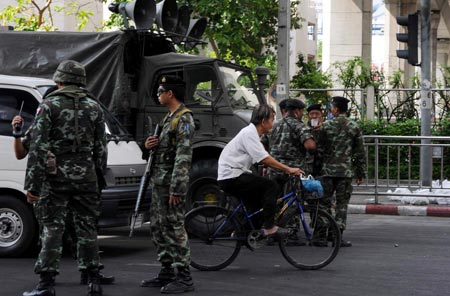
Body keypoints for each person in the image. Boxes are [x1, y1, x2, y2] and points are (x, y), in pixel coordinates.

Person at [11, 87, 114, 287]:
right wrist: (99, 180)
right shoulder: (94, 108)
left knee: (52, 228)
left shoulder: (48, 109)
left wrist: (33, 185)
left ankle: (46, 282)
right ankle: (93, 278)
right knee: (87, 227)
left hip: (55, 180)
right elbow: (102, 148)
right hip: (86, 178)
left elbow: (27, 152)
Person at [140, 75, 195, 294]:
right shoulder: (168, 118)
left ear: (170, 93)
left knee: (174, 229)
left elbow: (183, 155)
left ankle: (184, 276)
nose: (157, 94)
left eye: (160, 90)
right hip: (159, 182)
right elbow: (160, 150)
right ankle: (166, 271)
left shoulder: (183, 118)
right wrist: (147, 145)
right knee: (158, 228)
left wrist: (177, 188)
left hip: (171, 185)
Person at [217, 104, 304, 238]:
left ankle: (243, 232)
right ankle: (269, 227)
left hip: (233, 174)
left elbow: (261, 157)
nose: (273, 123)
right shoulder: (249, 133)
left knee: (256, 203)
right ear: (263, 121)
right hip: (232, 176)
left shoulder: (252, 133)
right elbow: (264, 158)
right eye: (272, 119)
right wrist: (289, 169)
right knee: (271, 186)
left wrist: (273, 167)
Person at [320, 96, 367, 247]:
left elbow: (319, 149)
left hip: (327, 171)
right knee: (341, 205)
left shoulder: (325, 126)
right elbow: (360, 152)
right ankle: (337, 236)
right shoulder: (354, 126)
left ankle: (321, 235)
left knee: (324, 203)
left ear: (335, 109)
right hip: (345, 172)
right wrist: (361, 173)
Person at [265, 99, 316, 193]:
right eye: (302, 112)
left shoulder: (273, 125)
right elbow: (310, 146)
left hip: (274, 171)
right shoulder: (299, 126)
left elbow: (263, 144)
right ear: (297, 111)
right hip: (293, 172)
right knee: (291, 204)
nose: (302, 114)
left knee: (275, 201)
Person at [305, 103, 325, 177]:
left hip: (323, 165)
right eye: (311, 114)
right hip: (307, 165)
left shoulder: (326, 128)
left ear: (321, 115)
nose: (314, 116)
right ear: (308, 116)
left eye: (317, 114)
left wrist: (322, 129)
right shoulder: (303, 129)